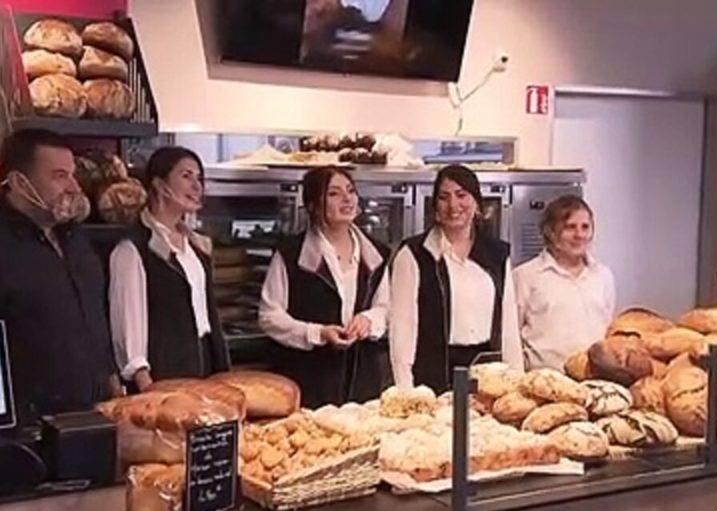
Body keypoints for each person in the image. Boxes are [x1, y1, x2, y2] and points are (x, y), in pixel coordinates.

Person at [0, 128, 118, 423]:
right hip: (26, 430)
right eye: (59, 176)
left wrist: (110, 375)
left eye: (72, 175)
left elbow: (94, 317)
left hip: (93, 416)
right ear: (19, 182)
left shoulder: (76, 238)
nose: (74, 187)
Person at [259, 166, 391, 407]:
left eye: (350, 191)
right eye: (334, 193)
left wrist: (369, 320)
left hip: (363, 381)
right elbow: (269, 316)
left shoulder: (377, 254)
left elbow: (386, 307)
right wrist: (317, 333)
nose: (347, 198)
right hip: (307, 380)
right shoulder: (291, 253)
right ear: (312, 205)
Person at [389, 164, 522, 393]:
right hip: (432, 373)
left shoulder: (498, 254)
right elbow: (402, 328)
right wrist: (405, 388)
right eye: (444, 197)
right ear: (435, 208)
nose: (453, 205)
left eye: (462, 195)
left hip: (486, 374)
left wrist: (516, 382)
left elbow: (509, 326)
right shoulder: (413, 254)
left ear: (477, 204)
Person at [109, 146, 230, 391]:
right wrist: (146, 385)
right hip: (164, 374)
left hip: (206, 367)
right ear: (159, 185)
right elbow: (128, 326)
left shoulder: (197, 246)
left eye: (199, 178)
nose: (197, 186)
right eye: (186, 176)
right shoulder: (134, 249)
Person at [514, 195, 615, 371]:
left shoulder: (602, 275)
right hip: (545, 384)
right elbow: (511, 337)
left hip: (596, 380)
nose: (579, 235)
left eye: (585, 227)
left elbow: (608, 330)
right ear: (551, 232)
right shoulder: (525, 276)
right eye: (570, 227)